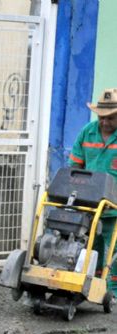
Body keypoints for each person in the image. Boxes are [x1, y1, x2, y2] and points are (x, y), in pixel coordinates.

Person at [68, 87, 117, 284]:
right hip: (90, 202)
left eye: (111, 118)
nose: (104, 122)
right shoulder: (87, 133)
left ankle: (113, 289)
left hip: (115, 206)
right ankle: (92, 283)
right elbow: (74, 166)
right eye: (101, 118)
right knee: (91, 243)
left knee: (114, 248)